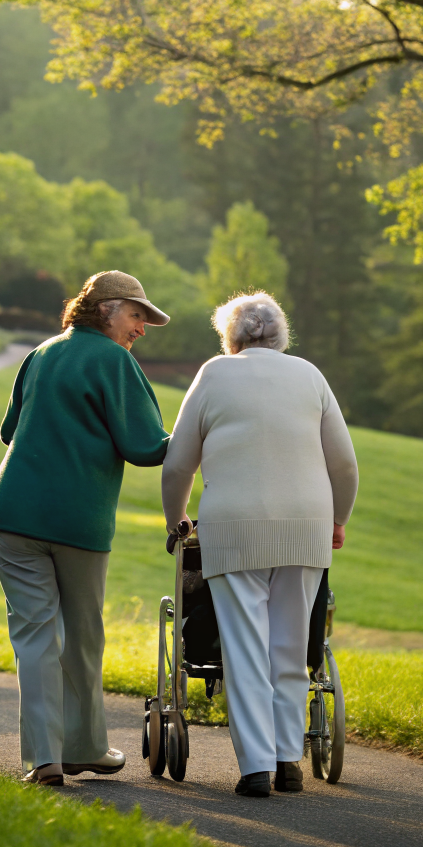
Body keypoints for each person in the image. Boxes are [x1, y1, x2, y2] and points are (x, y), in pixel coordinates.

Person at [161, 292, 358, 797]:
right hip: (304, 528)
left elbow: (179, 463)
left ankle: (254, 770)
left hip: (234, 529)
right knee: (291, 649)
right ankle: (288, 759)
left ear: (231, 337)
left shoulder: (213, 375)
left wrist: (176, 519)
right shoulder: (310, 376)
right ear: (280, 334)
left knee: (245, 651)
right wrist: (337, 520)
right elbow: (345, 466)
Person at [0, 270, 173, 786]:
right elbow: (145, 447)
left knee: (34, 637)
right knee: (83, 636)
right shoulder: (114, 361)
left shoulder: (41, 353)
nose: (141, 328)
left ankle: (45, 759)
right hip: (76, 522)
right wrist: (196, 437)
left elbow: (9, 431)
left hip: (10, 515)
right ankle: (86, 747)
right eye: (136, 315)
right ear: (107, 309)